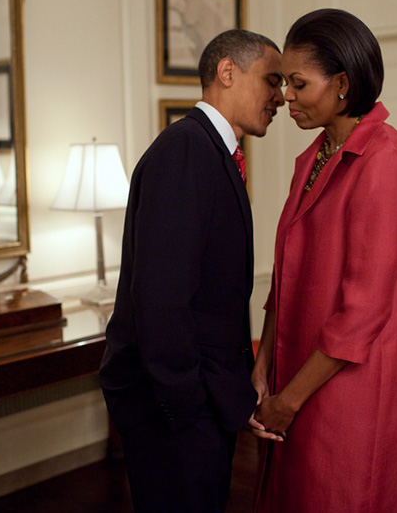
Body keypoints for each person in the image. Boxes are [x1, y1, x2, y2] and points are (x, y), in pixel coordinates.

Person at [99, 29, 285, 513]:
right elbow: (161, 297)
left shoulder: (212, 152)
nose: (281, 97)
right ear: (228, 72)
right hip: (176, 410)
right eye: (272, 80)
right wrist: (187, 405)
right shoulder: (185, 150)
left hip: (202, 400)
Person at [250, 8, 397, 512]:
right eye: (284, 83)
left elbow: (363, 311)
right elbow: (285, 275)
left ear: (343, 84)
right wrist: (264, 366)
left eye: (299, 84)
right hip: (301, 363)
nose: (286, 97)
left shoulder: (384, 161)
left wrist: (288, 400)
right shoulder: (319, 152)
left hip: (352, 379)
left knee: (342, 492)